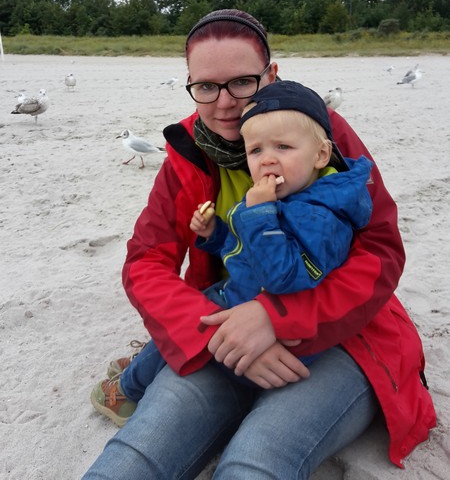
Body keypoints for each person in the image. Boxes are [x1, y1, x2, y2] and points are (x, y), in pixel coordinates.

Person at [82, 9, 435, 479]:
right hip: (225, 329)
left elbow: (381, 251)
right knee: (136, 455)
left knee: (256, 461)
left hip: (341, 333)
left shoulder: (316, 131)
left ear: (271, 74)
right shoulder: (188, 151)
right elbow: (146, 261)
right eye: (206, 86)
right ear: (190, 85)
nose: (225, 103)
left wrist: (276, 317)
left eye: (242, 82)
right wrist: (212, 332)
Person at [90, 81, 374, 422]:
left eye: (283, 147)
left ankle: (127, 388)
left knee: (191, 327)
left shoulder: (320, 217)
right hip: (244, 298)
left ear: (321, 155)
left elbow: (282, 277)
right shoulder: (292, 197)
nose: (268, 159)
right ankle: (143, 367)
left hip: (268, 322)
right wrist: (216, 234)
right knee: (185, 321)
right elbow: (248, 254)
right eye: (255, 151)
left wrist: (259, 213)